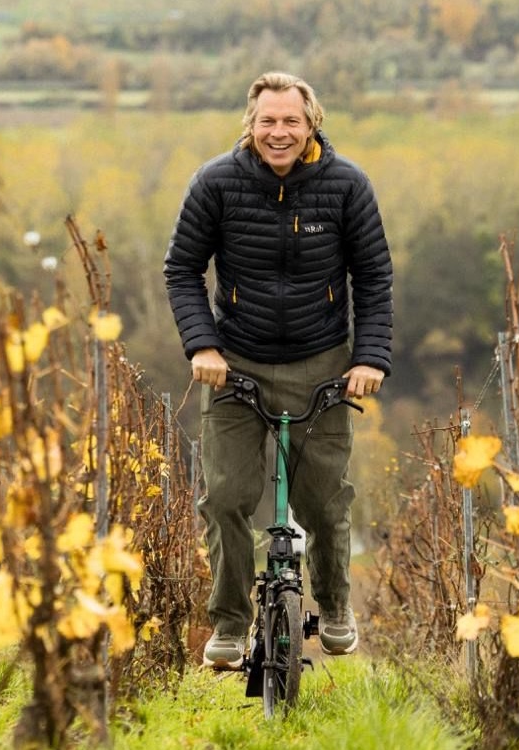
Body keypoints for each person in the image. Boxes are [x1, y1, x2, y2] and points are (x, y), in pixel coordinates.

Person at [163, 71, 393, 669]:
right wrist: (202, 346)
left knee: (324, 503)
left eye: (291, 121)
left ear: (311, 122)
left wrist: (368, 357)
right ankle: (232, 625)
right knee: (226, 497)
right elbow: (182, 269)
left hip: (321, 364)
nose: (279, 132)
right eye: (268, 121)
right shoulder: (216, 182)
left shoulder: (347, 186)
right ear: (251, 123)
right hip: (234, 363)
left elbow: (373, 279)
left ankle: (337, 608)